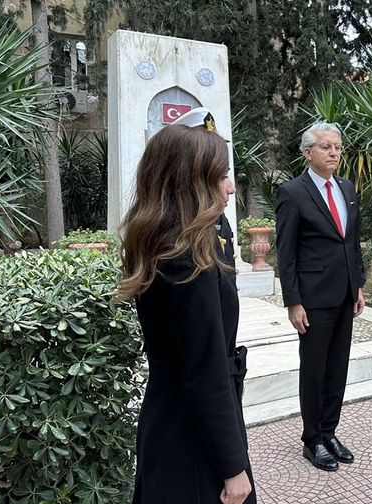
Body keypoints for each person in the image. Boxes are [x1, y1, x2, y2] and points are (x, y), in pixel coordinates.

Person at [118, 108, 256, 504]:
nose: (230, 188)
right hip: (190, 435)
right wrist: (232, 467)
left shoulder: (168, 240)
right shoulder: (187, 259)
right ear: (191, 181)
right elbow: (203, 369)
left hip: (176, 421)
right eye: (221, 175)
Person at [275, 122, 366, 472]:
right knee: (314, 369)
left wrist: (357, 285)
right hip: (312, 298)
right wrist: (293, 302)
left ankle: (329, 431)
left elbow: (352, 241)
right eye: (326, 147)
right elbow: (286, 253)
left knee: (337, 367)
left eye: (338, 147)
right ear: (307, 152)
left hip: (344, 294)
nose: (334, 153)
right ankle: (312, 438)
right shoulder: (292, 192)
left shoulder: (346, 186)